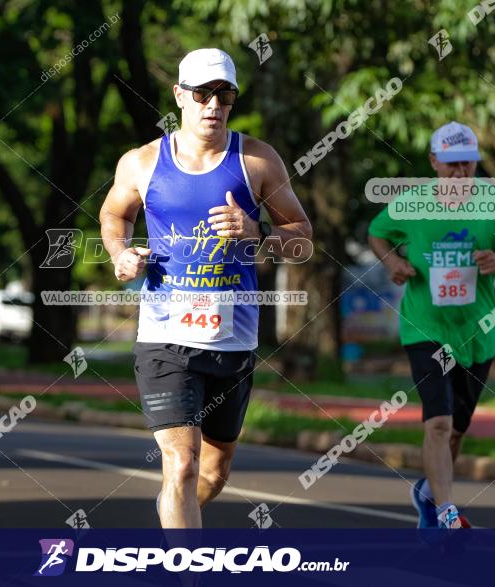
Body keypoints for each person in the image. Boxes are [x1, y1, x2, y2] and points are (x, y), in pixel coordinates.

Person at [100, 48, 312, 528]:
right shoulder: (143, 163)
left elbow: (303, 240)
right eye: (203, 94)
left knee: (212, 474)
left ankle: (171, 511)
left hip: (232, 342)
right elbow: (114, 214)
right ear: (179, 96)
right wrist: (119, 253)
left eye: (225, 94)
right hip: (165, 340)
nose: (213, 105)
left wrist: (256, 231)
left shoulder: (257, 160)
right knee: (182, 462)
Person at [367, 121, 495, 529]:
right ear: (433, 162)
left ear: (477, 162)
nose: (459, 173)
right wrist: (393, 262)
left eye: (467, 164)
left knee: (457, 430)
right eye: (450, 165)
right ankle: (446, 513)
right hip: (424, 327)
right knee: (439, 423)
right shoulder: (414, 202)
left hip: (478, 334)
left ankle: (429, 493)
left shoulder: (494, 202)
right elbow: (377, 232)